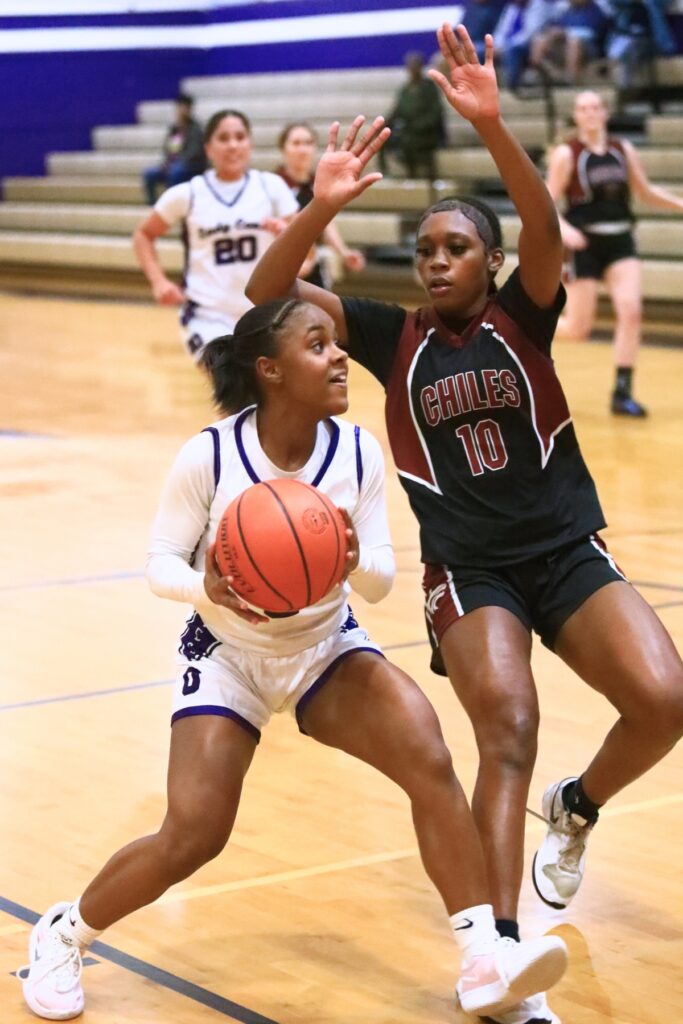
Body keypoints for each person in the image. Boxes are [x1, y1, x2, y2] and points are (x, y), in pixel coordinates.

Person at [246, 23, 683, 1024]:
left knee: (664, 701)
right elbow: (266, 297)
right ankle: (499, 953)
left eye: (455, 248)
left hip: (564, 551)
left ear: (491, 262)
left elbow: (541, 220)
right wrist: (320, 206)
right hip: (469, 571)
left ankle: (575, 808)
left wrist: (489, 126)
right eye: (425, 250)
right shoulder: (387, 333)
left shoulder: (524, 311)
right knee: (508, 726)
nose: (435, 261)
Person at [20, 298, 569, 1022]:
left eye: (336, 343)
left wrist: (351, 559)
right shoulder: (211, 454)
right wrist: (207, 587)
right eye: (318, 345)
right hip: (228, 654)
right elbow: (159, 564)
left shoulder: (356, 450)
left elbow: (379, 578)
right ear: (271, 370)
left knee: (427, 756)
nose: (340, 356)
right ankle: (64, 933)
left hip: (322, 646)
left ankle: (485, 961)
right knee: (193, 834)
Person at [547, 89, 683, 416]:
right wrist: (566, 230)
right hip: (585, 244)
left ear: (605, 113)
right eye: (584, 108)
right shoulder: (567, 153)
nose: (590, 113)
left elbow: (645, 191)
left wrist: (679, 204)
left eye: (596, 107)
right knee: (578, 330)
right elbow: (546, 203)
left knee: (631, 310)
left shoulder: (623, 149)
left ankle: (622, 392)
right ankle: (520, 330)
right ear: (576, 116)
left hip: (621, 239)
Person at [133, 109, 300, 363]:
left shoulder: (272, 186)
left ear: (250, 144)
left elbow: (307, 256)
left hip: (265, 313)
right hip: (207, 315)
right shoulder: (188, 193)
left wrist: (287, 236)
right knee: (231, 378)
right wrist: (159, 282)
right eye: (223, 138)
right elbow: (143, 234)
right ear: (208, 148)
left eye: (240, 137)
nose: (233, 145)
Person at [275, 121, 366, 289]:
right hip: (280, 268)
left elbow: (326, 224)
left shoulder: (317, 184)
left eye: (308, 143)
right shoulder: (273, 184)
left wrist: (344, 252)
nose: (303, 149)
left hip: (311, 265)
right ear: (283, 149)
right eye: (296, 143)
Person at [378, 51, 445, 180]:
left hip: (426, 132)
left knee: (407, 141)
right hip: (408, 131)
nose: (413, 69)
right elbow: (396, 111)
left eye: (415, 66)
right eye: (410, 66)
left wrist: (421, 125)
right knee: (382, 138)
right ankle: (385, 174)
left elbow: (436, 113)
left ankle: (413, 176)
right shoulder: (405, 90)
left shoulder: (429, 88)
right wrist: (383, 124)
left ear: (421, 67)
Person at [141, 93, 206, 206]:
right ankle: (153, 205)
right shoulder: (174, 129)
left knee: (175, 172)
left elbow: (194, 153)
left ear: (190, 109)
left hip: (191, 166)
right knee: (149, 173)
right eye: (180, 107)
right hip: (172, 164)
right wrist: (166, 164)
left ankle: (171, 205)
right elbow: (168, 150)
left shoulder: (196, 129)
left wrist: (175, 164)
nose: (182, 110)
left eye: (185, 107)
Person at [530, 0, 609, 84]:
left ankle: (570, 80)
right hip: (564, 45)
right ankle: (537, 75)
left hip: (588, 48)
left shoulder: (596, 11)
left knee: (574, 41)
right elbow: (554, 25)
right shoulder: (566, 11)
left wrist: (565, 32)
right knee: (540, 40)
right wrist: (553, 32)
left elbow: (591, 32)